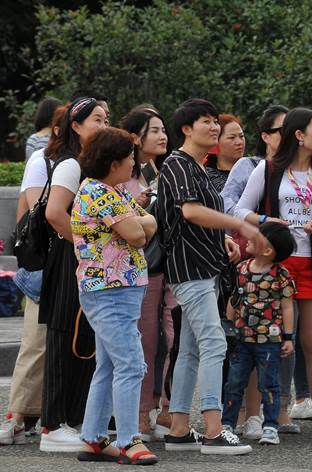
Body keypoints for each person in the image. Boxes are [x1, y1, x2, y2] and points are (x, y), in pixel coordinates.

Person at [158, 99, 264, 455]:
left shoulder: (197, 167)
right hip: (190, 270)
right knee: (214, 343)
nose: (215, 128)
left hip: (205, 266)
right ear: (187, 128)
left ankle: (179, 429)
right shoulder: (176, 164)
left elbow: (197, 217)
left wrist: (224, 240)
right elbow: (189, 212)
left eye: (216, 122)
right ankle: (215, 431)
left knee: (189, 349)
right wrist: (237, 224)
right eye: (207, 122)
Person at [235, 107, 312, 440]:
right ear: (299, 134)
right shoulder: (266, 169)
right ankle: (256, 416)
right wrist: (267, 222)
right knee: (261, 339)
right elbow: (240, 209)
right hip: (274, 262)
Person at [71, 127, 158, 464]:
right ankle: (127, 440)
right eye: (129, 159)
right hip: (111, 290)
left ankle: (93, 438)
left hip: (113, 289)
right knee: (131, 364)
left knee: (108, 365)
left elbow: (143, 222)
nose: (133, 164)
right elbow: (139, 233)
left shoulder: (108, 190)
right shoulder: (103, 194)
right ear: (113, 163)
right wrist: (141, 222)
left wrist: (141, 221)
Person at [220, 105, 304, 436]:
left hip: (288, 257)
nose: (289, 135)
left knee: (278, 346)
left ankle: (277, 412)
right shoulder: (250, 166)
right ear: (266, 136)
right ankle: (245, 415)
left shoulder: (306, 168)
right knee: (243, 357)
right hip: (253, 255)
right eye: (281, 129)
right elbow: (228, 204)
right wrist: (263, 222)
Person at [40, 97, 108, 452]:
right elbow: (55, 213)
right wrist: (86, 246)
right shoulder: (69, 164)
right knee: (65, 332)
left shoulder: (90, 165)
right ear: (76, 126)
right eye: (97, 119)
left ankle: (73, 418)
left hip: (84, 258)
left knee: (84, 336)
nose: (104, 123)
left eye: (107, 118)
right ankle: (52, 426)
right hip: (69, 258)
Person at [0, 105, 67, 446]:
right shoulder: (43, 160)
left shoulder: (92, 163)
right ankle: (15, 415)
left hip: (74, 264)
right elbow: (30, 209)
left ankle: (46, 416)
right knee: (36, 342)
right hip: (47, 262)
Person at [119, 106, 176, 439]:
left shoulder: (162, 170)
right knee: (145, 339)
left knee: (172, 337)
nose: (162, 135)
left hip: (168, 262)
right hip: (136, 266)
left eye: (164, 129)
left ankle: (167, 408)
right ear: (137, 136)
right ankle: (140, 415)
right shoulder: (121, 172)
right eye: (155, 130)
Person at [222, 222, 297, 445]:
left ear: (268, 251)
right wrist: (229, 319)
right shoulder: (241, 268)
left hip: (269, 340)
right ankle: (227, 423)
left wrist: (288, 337)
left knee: (269, 383)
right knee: (234, 382)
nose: (250, 239)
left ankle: (271, 426)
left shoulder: (280, 274)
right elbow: (235, 296)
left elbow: (287, 306)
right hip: (242, 337)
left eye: (257, 237)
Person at [205, 114, 245, 192]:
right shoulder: (206, 176)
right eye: (232, 137)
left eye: (241, 136)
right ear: (215, 142)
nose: (239, 142)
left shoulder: (254, 169)